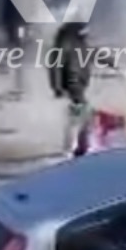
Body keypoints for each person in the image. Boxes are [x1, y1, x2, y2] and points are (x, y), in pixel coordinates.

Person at [48, 21, 94, 153]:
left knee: (79, 114)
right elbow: (55, 68)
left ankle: (75, 143)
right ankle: (77, 144)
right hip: (72, 84)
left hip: (78, 83)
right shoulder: (64, 47)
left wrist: (110, 62)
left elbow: (92, 54)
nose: (87, 34)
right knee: (82, 113)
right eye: (84, 31)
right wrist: (57, 87)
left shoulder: (79, 45)